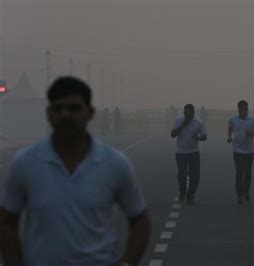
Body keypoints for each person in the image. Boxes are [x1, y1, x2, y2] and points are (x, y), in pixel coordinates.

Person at [0, 76, 151, 266]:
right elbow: (6, 221)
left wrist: (126, 263)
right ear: (48, 114)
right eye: (58, 108)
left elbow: (139, 220)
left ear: (90, 113)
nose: (65, 115)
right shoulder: (25, 163)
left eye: (73, 108)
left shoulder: (114, 164)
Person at [171, 104, 207, 205]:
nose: (188, 116)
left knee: (194, 176)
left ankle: (190, 195)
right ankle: (182, 191)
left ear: (193, 113)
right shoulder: (179, 120)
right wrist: (182, 125)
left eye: (190, 114)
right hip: (181, 152)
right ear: (184, 112)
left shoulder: (198, 122)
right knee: (182, 174)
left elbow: (204, 136)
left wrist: (198, 137)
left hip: (194, 152)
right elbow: (173, 135)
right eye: (186, 114)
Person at [227, 100, 254, 204]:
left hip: (249, 151)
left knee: (247, 174)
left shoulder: (253, 119)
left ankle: (246, 192)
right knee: (239, 173)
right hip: (237, 150)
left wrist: (253, 133)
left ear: (247, 109)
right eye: (241, 109)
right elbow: (230, 128)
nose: (243, 111)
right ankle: (239, 195)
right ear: (238, 109)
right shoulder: (233, 119)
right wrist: (229, 137)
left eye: (245, 109)